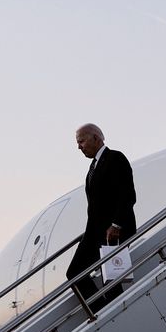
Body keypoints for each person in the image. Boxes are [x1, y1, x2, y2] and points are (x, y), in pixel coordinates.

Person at [66, 123, 137, 311]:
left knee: (111, 277)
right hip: (95, 233)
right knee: (75, 272)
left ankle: (111, 312)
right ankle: (100, 309)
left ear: (96, 138)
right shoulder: (93, 166)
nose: (79, 147)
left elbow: (127, 195)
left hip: (112, 232)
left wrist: (116, 224)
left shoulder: (115, 158)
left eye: (81, 141)